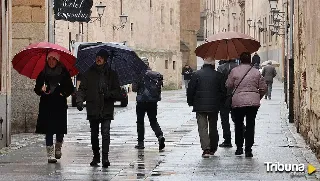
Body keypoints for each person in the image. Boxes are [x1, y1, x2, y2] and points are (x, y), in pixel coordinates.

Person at [76, 49, 121, 168]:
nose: (98, 59)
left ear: (106, 59)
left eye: (101, 57)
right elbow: (82, 90)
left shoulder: (112, 74)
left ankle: (105, 157)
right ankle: (96, 156)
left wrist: (109, 94)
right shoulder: (88, 73)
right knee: (94, 134)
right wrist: (79, 101)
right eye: (97, 56)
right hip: (93, 107)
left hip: (106, 108)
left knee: (105, 133)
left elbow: (118, 92)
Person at [34, 51, 74, 163]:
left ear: (57, 60)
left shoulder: (64, 72)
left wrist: (64, 93)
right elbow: (36, 88)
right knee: (49, 129)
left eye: (53, 59)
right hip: (47, 104)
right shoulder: (43, 73)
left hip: (59, 104)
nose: (51, 61)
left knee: (60, 129)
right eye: (49, 59)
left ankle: (58, 147)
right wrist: (40, 89)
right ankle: (50, 154)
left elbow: (70, 88)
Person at [226, 52, 267, 157]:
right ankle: (248, 149)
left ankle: (239, 148)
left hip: (237, 102)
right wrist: (257, 96)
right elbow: (263, 88)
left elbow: (228, 85)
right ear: (250, 60)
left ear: (240, 60)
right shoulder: (256, 72)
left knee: (238, 125)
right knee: (250, 124)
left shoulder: (234, 71)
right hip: (252, 103)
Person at [187, 58, 226, 158]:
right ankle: (213, 147)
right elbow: (223, 91)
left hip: (199, 105)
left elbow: (190, 90)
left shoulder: (196, 74)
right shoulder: (219, 75)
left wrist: (190, 102)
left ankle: (206, 149)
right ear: (213, 64)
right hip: (214, 105)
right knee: (213, 127)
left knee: (202, 127)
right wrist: (220, 103)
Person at [132, 59, 165, 151]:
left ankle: (141, 143)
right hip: (152, 102)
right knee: (153, 121)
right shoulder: (156, 75)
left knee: (140, 122)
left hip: (141, 102)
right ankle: (160, 136)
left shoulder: (138, 74)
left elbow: (134, 89)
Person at [216, 59, 238, 147]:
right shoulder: (238, 68)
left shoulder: (220, 68)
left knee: (224, 119)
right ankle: (242, 132)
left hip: (224, 97)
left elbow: (218, 83)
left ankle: (227, 139)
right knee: (236, 117)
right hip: (236, 96)